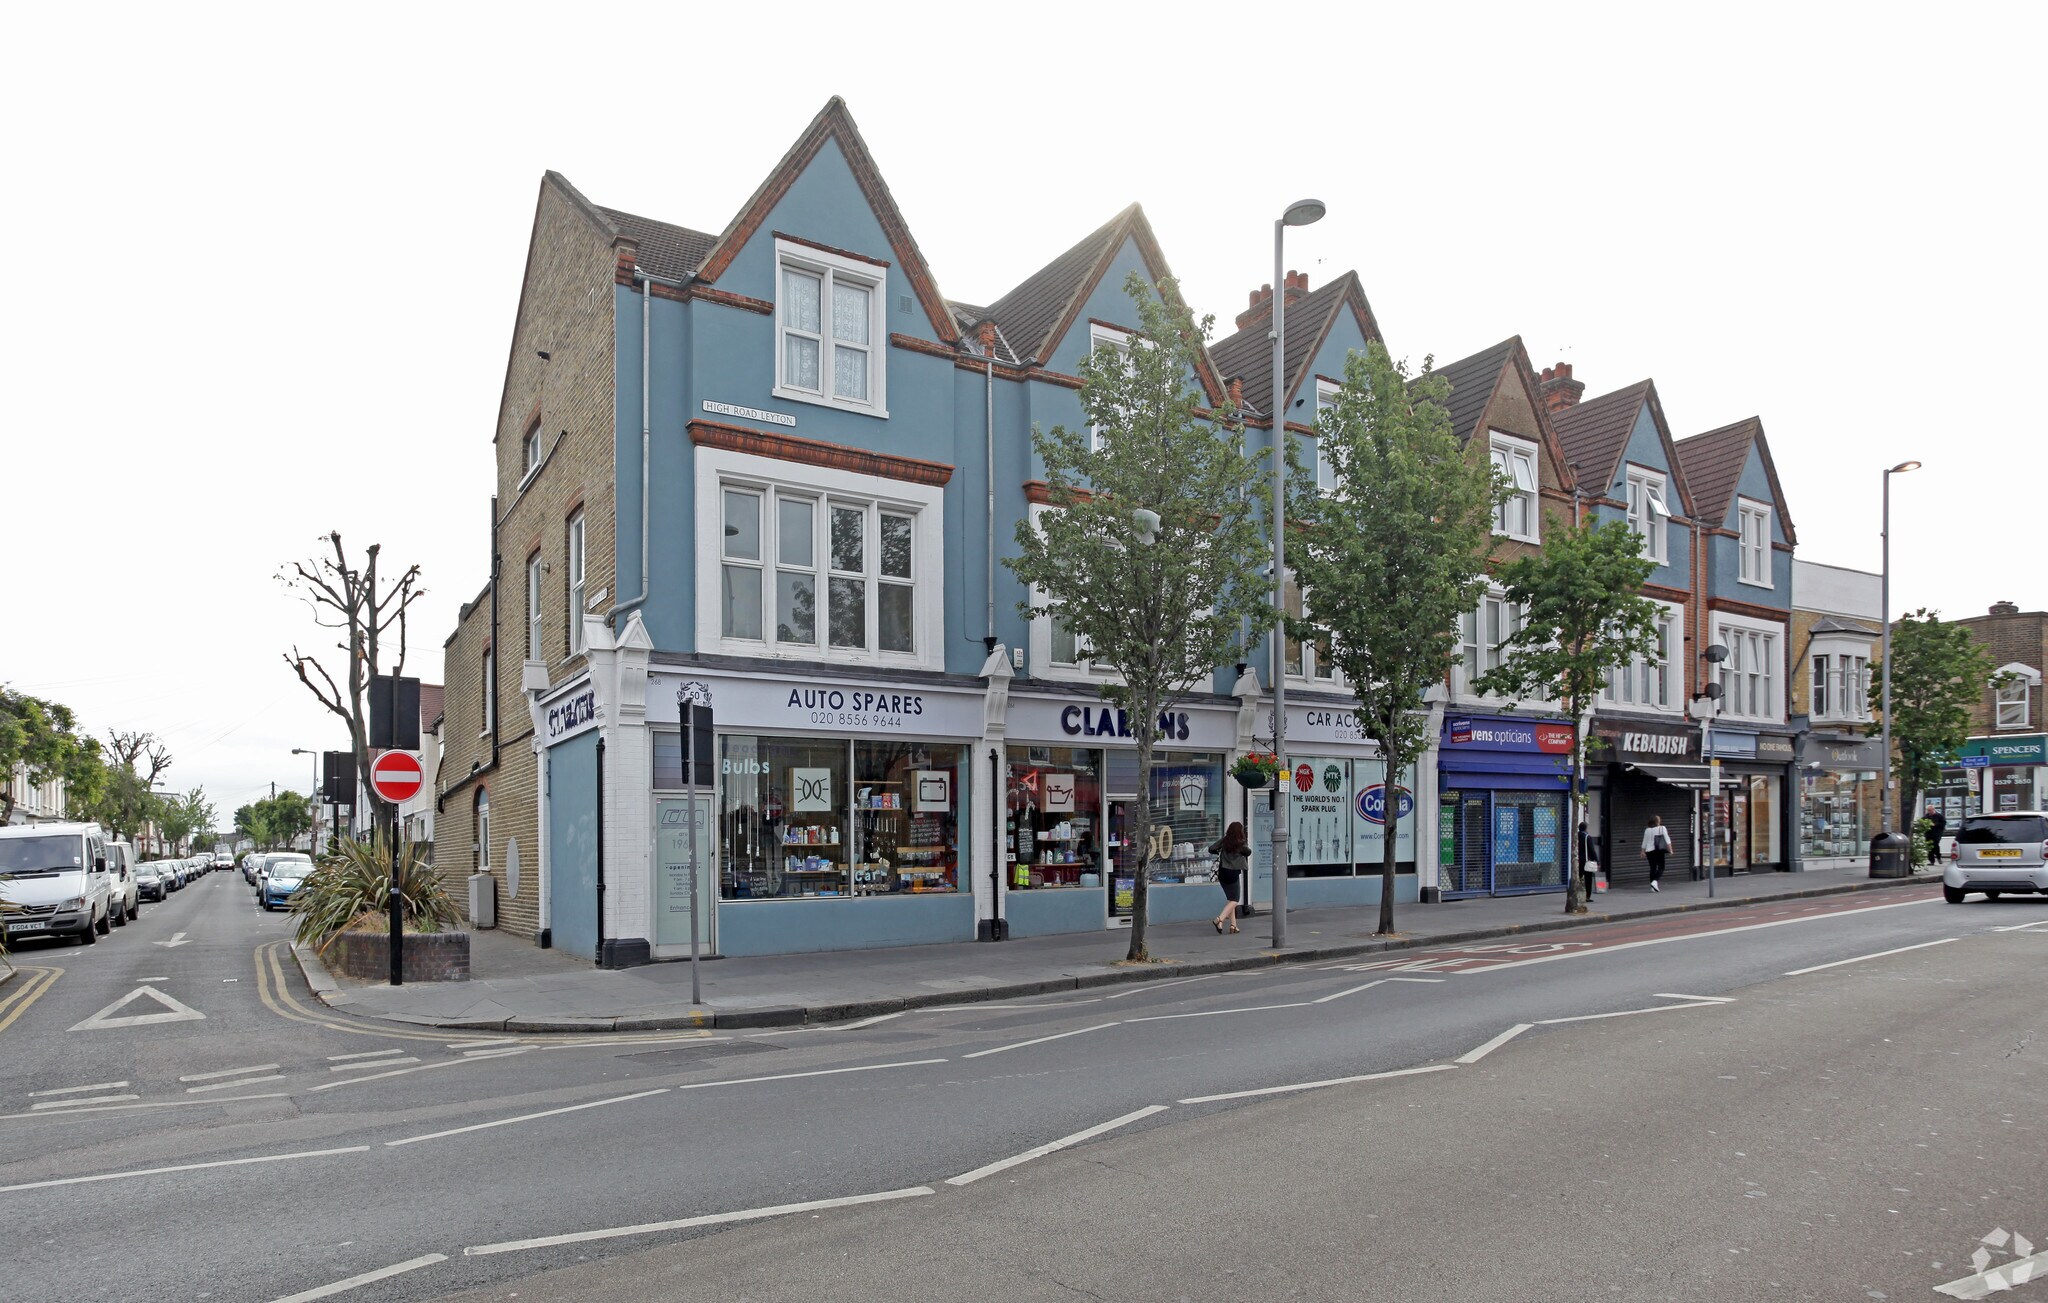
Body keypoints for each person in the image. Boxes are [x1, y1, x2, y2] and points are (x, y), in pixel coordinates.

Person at [1210, 822, 1250, 934]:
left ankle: (1233, 926)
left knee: (1230, 898)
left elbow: (1211, 848)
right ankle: (1219, 919)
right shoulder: (1240, 844)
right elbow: (1248, 852)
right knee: (1235, 900)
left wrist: (1220, 851)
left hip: (1222, 872)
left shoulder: (1224, 841)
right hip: (1233, 873)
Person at [1643, 815, 1673, 891]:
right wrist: (1670, 850)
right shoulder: (1662, 828)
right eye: (1659, 819)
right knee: (1661, 867)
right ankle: (1655, 881)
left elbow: (1645, 841)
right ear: (1657, 821)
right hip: (1658, 850)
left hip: (1649, 851)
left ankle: (1652, 887)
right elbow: (1667, 839)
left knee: (1652, 868)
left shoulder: (1647, 830)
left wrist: (1642, 851)